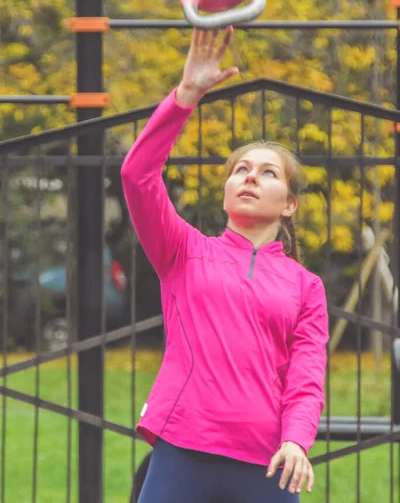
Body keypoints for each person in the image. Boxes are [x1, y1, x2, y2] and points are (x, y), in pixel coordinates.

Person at [121, 27, 329, 503]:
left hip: (268, 461)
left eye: (268, 172)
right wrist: (186, 94)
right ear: (227, 189)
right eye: (240, 169)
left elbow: (306, 374)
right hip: (182, 447)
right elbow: (137, 175)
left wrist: (297, 438)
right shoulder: (183, 251)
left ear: (290, 205)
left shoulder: (306, 286)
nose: (250, 176)